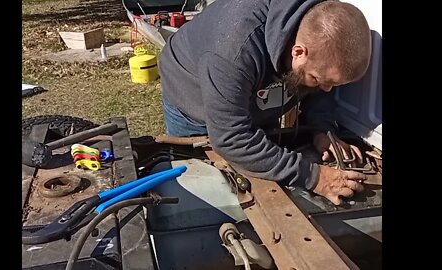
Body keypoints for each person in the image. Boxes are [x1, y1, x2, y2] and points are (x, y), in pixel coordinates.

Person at [159, 0, 372, 205]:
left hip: (249, 89)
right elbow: (230, 138)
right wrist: (314, 177)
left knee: (258, 156)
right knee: (201, 191)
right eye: (318, 79)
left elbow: (321, 89)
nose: (326, 89)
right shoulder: (233, 51)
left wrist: (321, 129)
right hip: (193, 96)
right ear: (298, 52)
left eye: (333, 84)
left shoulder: (320, 26)